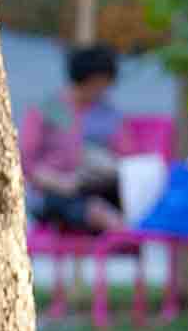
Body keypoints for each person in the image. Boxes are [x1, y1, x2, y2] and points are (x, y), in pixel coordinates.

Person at [21, 41, 128, 232]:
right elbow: (26, 161)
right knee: (61, 200)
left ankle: (103, 216)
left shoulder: (107, 113)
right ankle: (100, 216)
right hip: (53, 189)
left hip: (94, 185)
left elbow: (126, 155)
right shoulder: (49, 109)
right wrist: (57, 181)